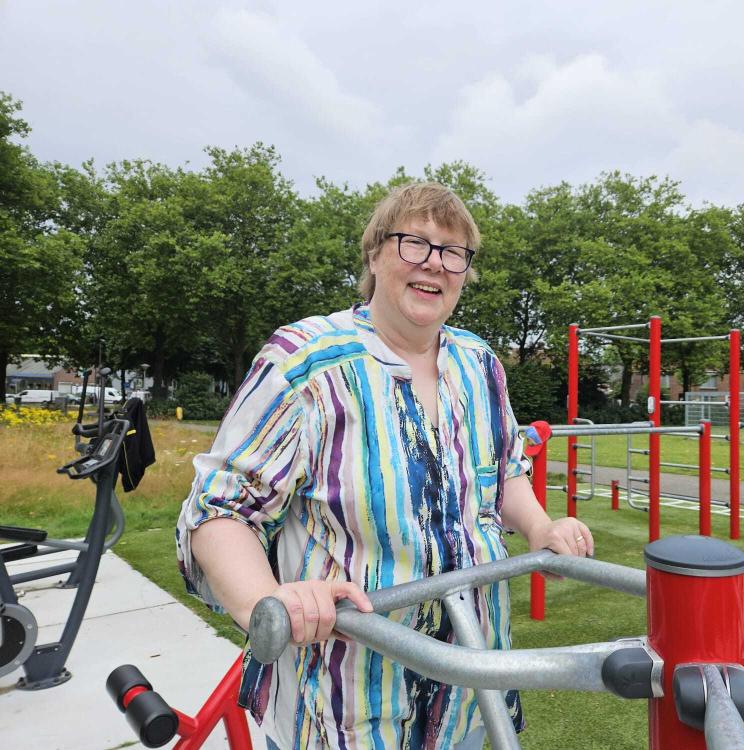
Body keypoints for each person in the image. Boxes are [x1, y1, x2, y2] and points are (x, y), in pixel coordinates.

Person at [176, 182, 594, 749]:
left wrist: (541, 527)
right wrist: (265, 602)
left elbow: (504, 471)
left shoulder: (479, 362)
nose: (435, 265)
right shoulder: (305, 364)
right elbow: (219, 511)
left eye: (453, 252)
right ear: (374, 253)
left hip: (469, 693)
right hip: (342, 702)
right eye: (414, 242)